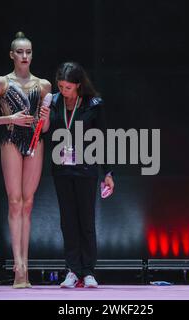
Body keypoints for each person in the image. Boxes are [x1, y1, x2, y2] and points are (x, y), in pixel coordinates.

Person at [0, 32, 51, 288]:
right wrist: (10, 119)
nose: (24, 56)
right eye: (20, 52)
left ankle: (25, 271)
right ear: (12, 55)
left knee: (28, 203)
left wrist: (45, 115)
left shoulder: (43, 85)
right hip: (10, 139)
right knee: (15, 202)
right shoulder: (2, 82)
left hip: (34, 142)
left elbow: (44, 128)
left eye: (28, 52)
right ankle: (18, 269)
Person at [48, 62, 115, 288]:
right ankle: (72, 270)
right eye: (60, 86)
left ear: (78, 85)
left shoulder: (93, 104)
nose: (63, 91)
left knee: (86, 220)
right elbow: (46, 131)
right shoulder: (54, 101)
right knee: (68, 221)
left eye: (68, 88)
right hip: (61, 168)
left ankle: (88, 271)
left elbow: (103, 139)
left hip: (86, 169)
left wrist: (108, 172)